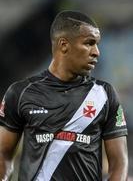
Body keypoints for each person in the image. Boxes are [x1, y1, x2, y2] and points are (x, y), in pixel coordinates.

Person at [0, 10, 128, 181]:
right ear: (64, 44)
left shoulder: (105, 94)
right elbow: (3, 153)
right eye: (89, 43)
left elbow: (119, 162)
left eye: (96, 44)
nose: (96, 52)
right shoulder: (20, 92)